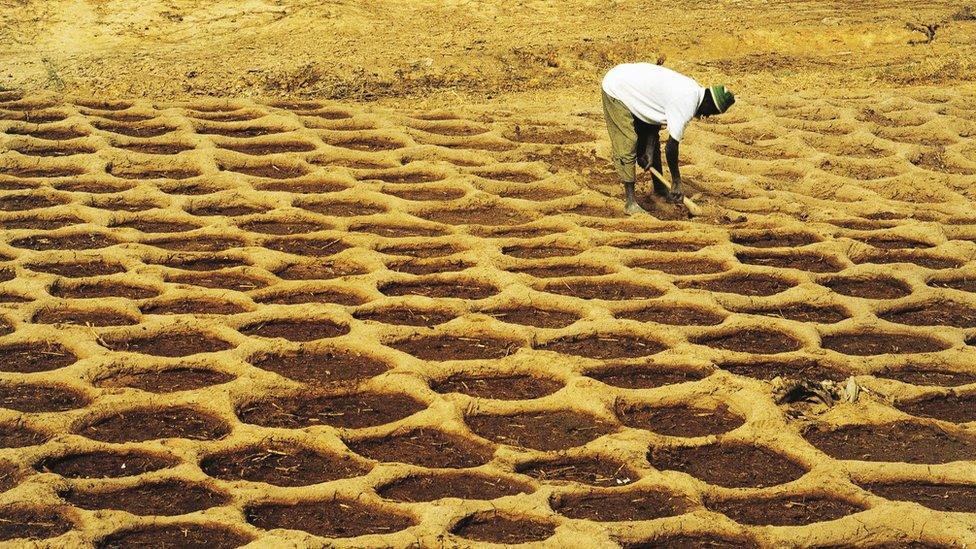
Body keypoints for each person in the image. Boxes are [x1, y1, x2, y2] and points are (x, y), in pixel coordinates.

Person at [601, 62, 735, 214]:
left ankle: (660, 191)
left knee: (648, 147)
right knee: (628, 141)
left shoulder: (694, 91)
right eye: (711, 112)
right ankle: (630, 203)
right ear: (708, 102)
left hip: (636, 90)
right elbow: (671, 147)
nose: (706, 116)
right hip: (617, 88)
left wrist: (649, 151)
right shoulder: (686, 102)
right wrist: (676, 181)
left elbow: (654, 114)